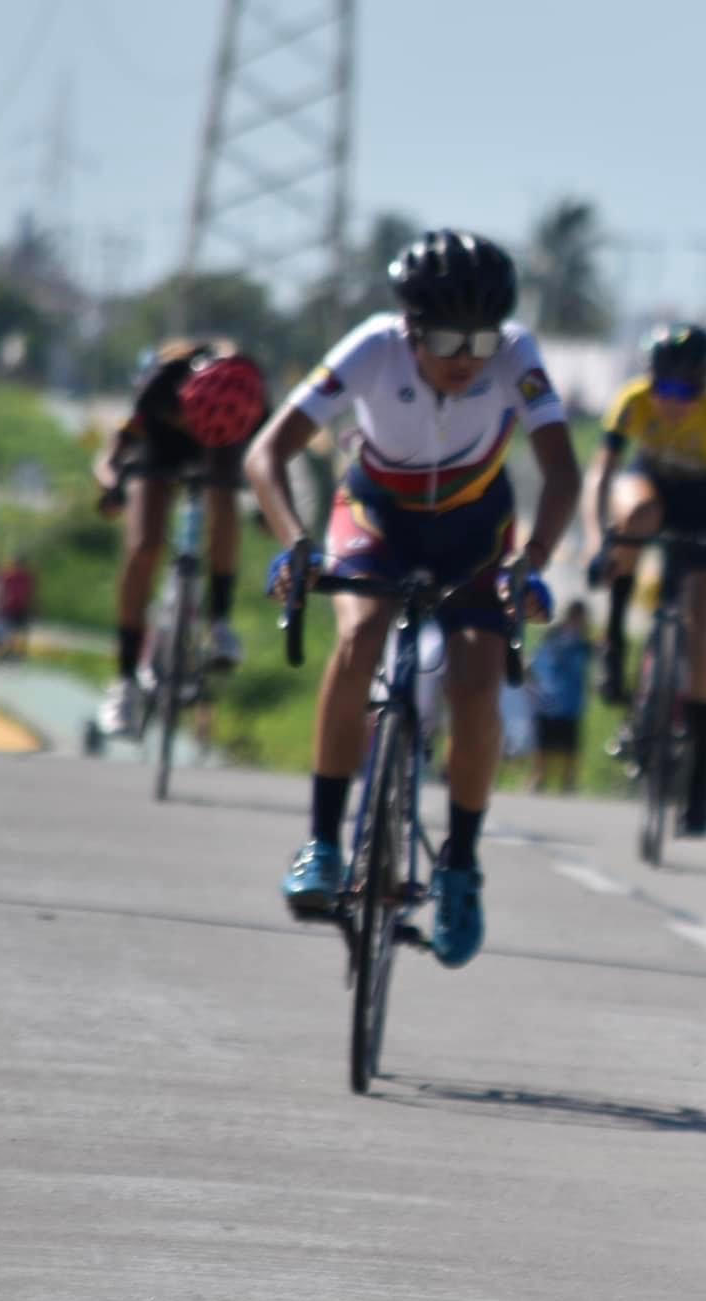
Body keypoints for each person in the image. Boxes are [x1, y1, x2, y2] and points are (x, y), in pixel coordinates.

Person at [248, 229, 580, 964]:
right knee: (360, 633)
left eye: (481, 339)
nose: (467, 358)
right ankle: (323, 844)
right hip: (376, 517)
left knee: (475, 679)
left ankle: (460, 864)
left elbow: (562, 471)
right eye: (448, 339)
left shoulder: (516, 353)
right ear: (410, 329)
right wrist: (295, 541)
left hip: (476, 531)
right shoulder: (372, 347)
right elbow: (265, 451)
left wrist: (533, 562)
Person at [585, 324, 706, 836]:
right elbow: (602, 473)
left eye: (686, 390)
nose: (673, 401)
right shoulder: (633, 401)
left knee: (700, 640)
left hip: (702, 510)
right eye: (664, 388)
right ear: (650, 380)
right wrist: (596, 538)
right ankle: (612, 642)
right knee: (637, 513)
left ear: (703, 387)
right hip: (649, 488)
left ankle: (699, 778)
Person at [91, 340, 267, 736]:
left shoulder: (250, 396)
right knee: (145, 545)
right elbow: (114, 453)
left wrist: (266, 508)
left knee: (224, 498)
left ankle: (219, 621)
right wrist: (111, 483)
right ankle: (125, 681)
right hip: (159, 453)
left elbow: (272, 460)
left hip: (223, 451)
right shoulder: (160, 386)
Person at [528, 600, 592, 794]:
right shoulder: (554, 637)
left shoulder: (583, 644)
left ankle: (569, 780)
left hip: (570, 702)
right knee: (543, 743)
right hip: (549, 697)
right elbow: (537, 663)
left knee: (570, 745)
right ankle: (538, 777)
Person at [0, 555, 34, 659]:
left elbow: (30, 593)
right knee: (11, 631)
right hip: (12, 607)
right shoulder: (12, 575)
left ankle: (16, 652)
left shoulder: (20, 576)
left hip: (18, 607)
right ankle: (10, 652)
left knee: (18, 631)